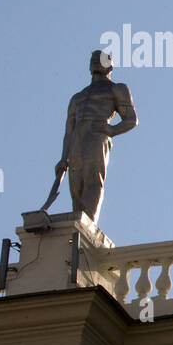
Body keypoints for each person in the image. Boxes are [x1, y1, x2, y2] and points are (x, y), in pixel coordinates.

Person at [55, 50, 138, 222]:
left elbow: (131, 120)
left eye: (99, 59)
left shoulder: (116, 89)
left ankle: (88, 224)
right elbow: (69, 130)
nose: (95, 62)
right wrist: (63, 158)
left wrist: (111, 130)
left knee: (92, 180)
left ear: (110, 66)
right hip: (77, 140)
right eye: (93, 59)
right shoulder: (78, 97)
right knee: (76, 185)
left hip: (96, 135)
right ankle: (77, 226)